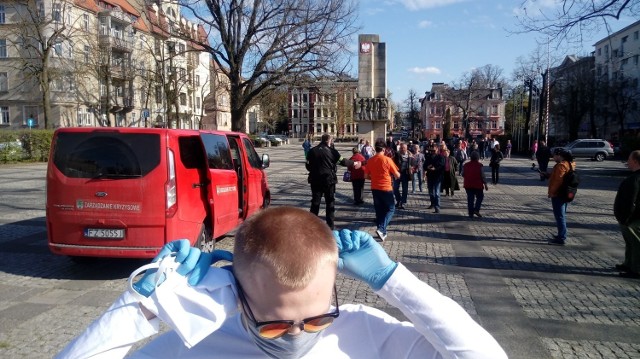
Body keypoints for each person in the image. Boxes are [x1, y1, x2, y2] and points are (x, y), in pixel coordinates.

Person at [57, 207, 508, 358]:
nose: (296, 335)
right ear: (238, 295)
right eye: (274, 324)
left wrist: (392, 280)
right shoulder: (194, 344)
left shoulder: (364, 332)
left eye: (315, 319)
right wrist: (141, 309)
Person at [306, 134, 361, 230]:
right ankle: (330, 225)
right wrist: (354, 163)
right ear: (329, 141)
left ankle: (311, 224)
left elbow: (307, 165)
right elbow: (343, 161)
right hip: (328, 181)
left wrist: (314, 170)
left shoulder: (312, 151)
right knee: (330, 203)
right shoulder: (332, 151)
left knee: (315, 203)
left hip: (315, 180)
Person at [365, 139, 401, 241]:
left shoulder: (370, 160)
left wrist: (375, 178)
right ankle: (381, 229)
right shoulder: (387, 160)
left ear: (375, 149)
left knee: (379, 210)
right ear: (384, 149)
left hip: (375, 188)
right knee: (391, 209)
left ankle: (382, 232)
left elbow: (366, 175)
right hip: (386, 188)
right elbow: (397, 175)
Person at [613, 150, 640, 278]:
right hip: (629, 216)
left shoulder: (636, 179)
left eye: (629, 159)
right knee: (629, 242)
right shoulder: (634, 177)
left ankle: (636, 269)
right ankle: (628, 263)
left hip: (633, 218)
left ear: (635, 161)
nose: (627, 162)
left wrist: (627, 217)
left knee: (635, 243)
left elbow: (632, 200)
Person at [544, 148, 576, 246]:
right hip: (566, 193)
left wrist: (552, 193)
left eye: (554, 155)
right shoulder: (570, 164)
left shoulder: (561, 166)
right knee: (562, 215)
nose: (553, 157)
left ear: (559, 155)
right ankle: (561, 235)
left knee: (560, 216)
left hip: (558, 194)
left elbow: (557, 181)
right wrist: (548, 175)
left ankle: (561, 237)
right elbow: (559, 177)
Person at [463, 151, 489, 218]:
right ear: (478, 157)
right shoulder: (480, 165)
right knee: (480, 197)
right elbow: (482, 176)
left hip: (468, 184)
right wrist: (485, 184)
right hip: (477, 184)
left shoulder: (466, 165)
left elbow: (463, 174)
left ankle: (470, 213)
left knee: (470, 199)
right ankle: (476, 209)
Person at [424, 144, 445, 213]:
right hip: (430, 176)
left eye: (434, 150)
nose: (433, 151)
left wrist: (435, 168)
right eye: (432, 150)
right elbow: (424, 165)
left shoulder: (440, 157)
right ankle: (432, 203)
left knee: (436, 192)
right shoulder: (428, 157)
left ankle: (437, 206)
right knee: (430, 192)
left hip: (437, 177)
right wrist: (427, 167)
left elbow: (441, 165)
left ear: (437, 150)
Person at [392, 143, 412, 209]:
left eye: (403, 148)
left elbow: (413, 164)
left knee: (405, 189)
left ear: (406, 148)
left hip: (405, 174)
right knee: (395, 188)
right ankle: (399, 200)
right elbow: (392, 163)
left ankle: (403, 202)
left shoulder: (410, 155)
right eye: (401, 148)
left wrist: (412, 170)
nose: (402, 149)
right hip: (397, 173)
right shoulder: (396, 154)